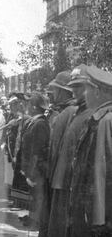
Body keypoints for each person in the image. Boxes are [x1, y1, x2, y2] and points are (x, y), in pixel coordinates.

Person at [44, 65, 93, 237]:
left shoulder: (92, 115)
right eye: (73, 87)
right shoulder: (74, 112)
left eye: (79, 87)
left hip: (76, 186)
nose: (75, 92)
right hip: (62, 181)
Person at [68, 66, 112, 237]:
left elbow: (99, 170)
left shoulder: (104, 121)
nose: (84, 95)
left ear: (98, 92)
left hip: (98, 218)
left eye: (86, 90)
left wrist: (97, 217)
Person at [20, 92, 50, 228]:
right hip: (32, 168)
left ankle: (36, 221)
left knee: (38, 196)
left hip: (37, 169)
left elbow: (36, 152)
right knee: (34, 195)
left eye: (29, 103)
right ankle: (33, 218)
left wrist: (31, 173)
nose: (26, 106)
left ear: (34, 107)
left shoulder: (40, 124)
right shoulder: (34, 122)